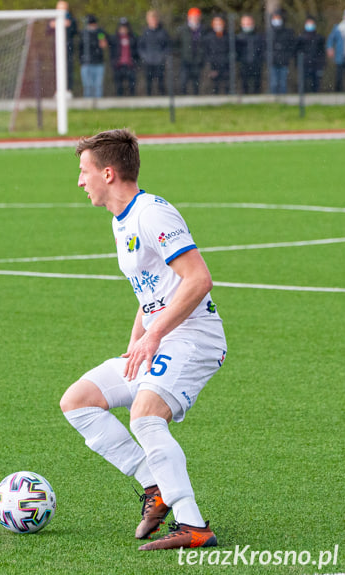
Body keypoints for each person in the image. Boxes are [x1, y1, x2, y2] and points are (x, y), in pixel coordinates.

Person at [62, 128, 226, 551]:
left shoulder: (152, 214)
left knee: (145, 415)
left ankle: (192, 525)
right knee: (78, 401)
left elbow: (199, 279)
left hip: (195, 338)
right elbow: (150, 290)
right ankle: (153, 485)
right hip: (162, 337)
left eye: (85, 171)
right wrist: (135, 341)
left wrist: (153, 336)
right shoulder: (122, 221)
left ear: (109, 173)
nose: (80, 181)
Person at [47, 1, 78, 94]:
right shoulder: (53, 18)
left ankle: (68, 90)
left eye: (63, 8)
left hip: (68, 48)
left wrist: (68, 25)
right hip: (56, 49)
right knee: (56, 69)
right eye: (59, 8)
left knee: (68, 68)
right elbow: (48, 30)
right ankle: (58, 90)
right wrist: (53, 25)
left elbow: (75, 31)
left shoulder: (72, 19)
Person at [138, 10, 170, 96]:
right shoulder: (144, 33)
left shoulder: (163, 32)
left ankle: (162, 100)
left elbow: (167, 46)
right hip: (148, 62)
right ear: (148, 20)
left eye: (154, 19)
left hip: (160, 62)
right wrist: (145, 57)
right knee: (148, 83)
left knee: (161, 83)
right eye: (151, 19)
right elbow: (140, 47)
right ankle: (149, 100)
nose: (153, 21)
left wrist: (162, 57)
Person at [176, 7, 206, 95]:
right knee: (183, 82)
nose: (195, 19)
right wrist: (181, 55)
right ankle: (183, 100)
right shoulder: (182, 30)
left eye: (197, 17)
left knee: (196, 83)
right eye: (193, 17)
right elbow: (176, 45)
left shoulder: (203, 30)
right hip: (185, 61)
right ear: (189, 18)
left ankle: (196, 102)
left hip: (198, 60)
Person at [80, 14, 109, 98]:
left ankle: (98, 104)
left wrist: (102, 41)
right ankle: (88, 105)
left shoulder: (100, 33)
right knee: (88, 86)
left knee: (98, 85)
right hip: (86, 63)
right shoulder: (84, 34)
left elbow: (103, 43)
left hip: (98, 62)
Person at [236, 14, 266, 94]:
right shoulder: (238, 38)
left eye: (249, 23)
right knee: (244, 83)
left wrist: (260, 59)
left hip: (256, 63)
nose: (247, 25)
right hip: (243, 63)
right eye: (245, 23)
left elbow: (262, 50)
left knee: (257, 84)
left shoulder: (258, 37)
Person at [269, 10, 296, 94]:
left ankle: (283, 101)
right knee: (274, 83)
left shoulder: (287, 32)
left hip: (284, 61)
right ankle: (274, 101)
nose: (276, 20)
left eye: (278, 18)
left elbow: (291, 46)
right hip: (272, 61)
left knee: (282, 83)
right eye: (274, 18)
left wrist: (287, 56)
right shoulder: (269, 32)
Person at [110, 17, 138, 96]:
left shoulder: (133, 38)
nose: (123, 29)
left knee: (132, 86)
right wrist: (113, 62)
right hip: (118, 65)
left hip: (130, 65)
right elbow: (111, 52)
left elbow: (136, 51)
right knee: (119, 86)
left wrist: (135, 62)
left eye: (125, 27)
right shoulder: (115, 38)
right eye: (122, 27)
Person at [298, 15, 326, 93]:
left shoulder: (319, 38)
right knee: (303, 81)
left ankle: (315, 96)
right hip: (304, 63)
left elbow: (322, 52)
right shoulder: (301, 38)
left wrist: (321, 63)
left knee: (316, 81)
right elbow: (297, 51)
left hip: (316, 63)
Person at [204, 15, 231, 94]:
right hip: (213, 65)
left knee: (227, 85)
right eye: (216, 23)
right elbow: (206, 52)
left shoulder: (228, 36)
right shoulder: (208, 37)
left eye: (220, 23)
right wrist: (211, 66)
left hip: (226, 65)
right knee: (214, 86)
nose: (218, 26)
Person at [326, 8, 345, 91]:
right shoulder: (339, 28)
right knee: (339, 75)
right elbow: (330, 39)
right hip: (341, 55)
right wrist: (330, 48)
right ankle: (338, 91)